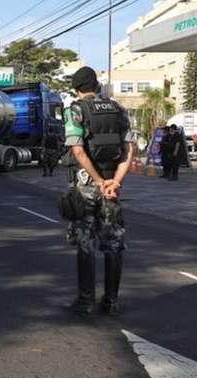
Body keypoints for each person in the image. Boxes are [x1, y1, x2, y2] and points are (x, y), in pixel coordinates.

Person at [62, 67, 134, 316]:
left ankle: (86, 302)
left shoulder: (76, 110)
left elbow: (78, 151)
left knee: (85, 243)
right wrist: (114, 182)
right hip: (112, 187)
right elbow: (128, 151)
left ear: (76, 88)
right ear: (97, 85)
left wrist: (97, 181)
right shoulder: (119, 110)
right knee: (114, 243)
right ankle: (111, 301)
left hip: (86, 187)